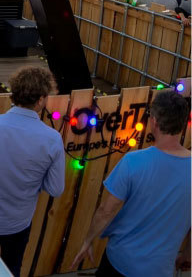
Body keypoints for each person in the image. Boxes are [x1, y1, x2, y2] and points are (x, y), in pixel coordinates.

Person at [69, 90, 190, 277]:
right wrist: (188, 254)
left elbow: (106, 211)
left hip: (121, 262)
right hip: (160, 270)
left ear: (154, 121)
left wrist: (88, 240)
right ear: (183, 124)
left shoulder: (134, 161)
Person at [0, 66, 64, 277]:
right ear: (41, 100)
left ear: (13, 94)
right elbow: (55, 188)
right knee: (11, 270)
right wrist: (33, 180)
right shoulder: (52, 139)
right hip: (19, 222)